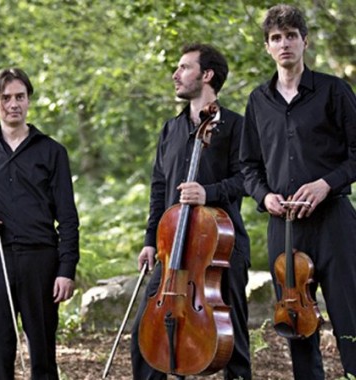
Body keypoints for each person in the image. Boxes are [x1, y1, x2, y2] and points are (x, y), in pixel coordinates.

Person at [240, 4, 356, 379]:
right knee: (297, 324)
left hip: (334, 223)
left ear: (304, 41)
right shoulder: (259, 101)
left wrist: (326, 184)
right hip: (284, 227)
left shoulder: (334, 90)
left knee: (350, 318)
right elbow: (248, 166)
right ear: (267, 47)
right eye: (276, 38)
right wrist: (264, 196)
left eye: (291, 36)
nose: (284, 43)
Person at [130, 44, 252, 380]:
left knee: (233, 341)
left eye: (184, 67)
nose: (175, 74)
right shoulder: (170, 130)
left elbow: (248, 179)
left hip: (220, 248)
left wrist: (208, 193)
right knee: (146, 333)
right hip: (173, 249)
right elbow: (159, 190)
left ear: (207, 75)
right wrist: (150, 240)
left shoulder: (236, 127)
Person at [0, 67, 80, 379]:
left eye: (20, 97)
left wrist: (66, 270)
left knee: (43, 354)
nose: (13, 104)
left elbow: (67, 217)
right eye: (5, 98)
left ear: (28, 101)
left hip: (41, 261)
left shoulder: (52, 152)